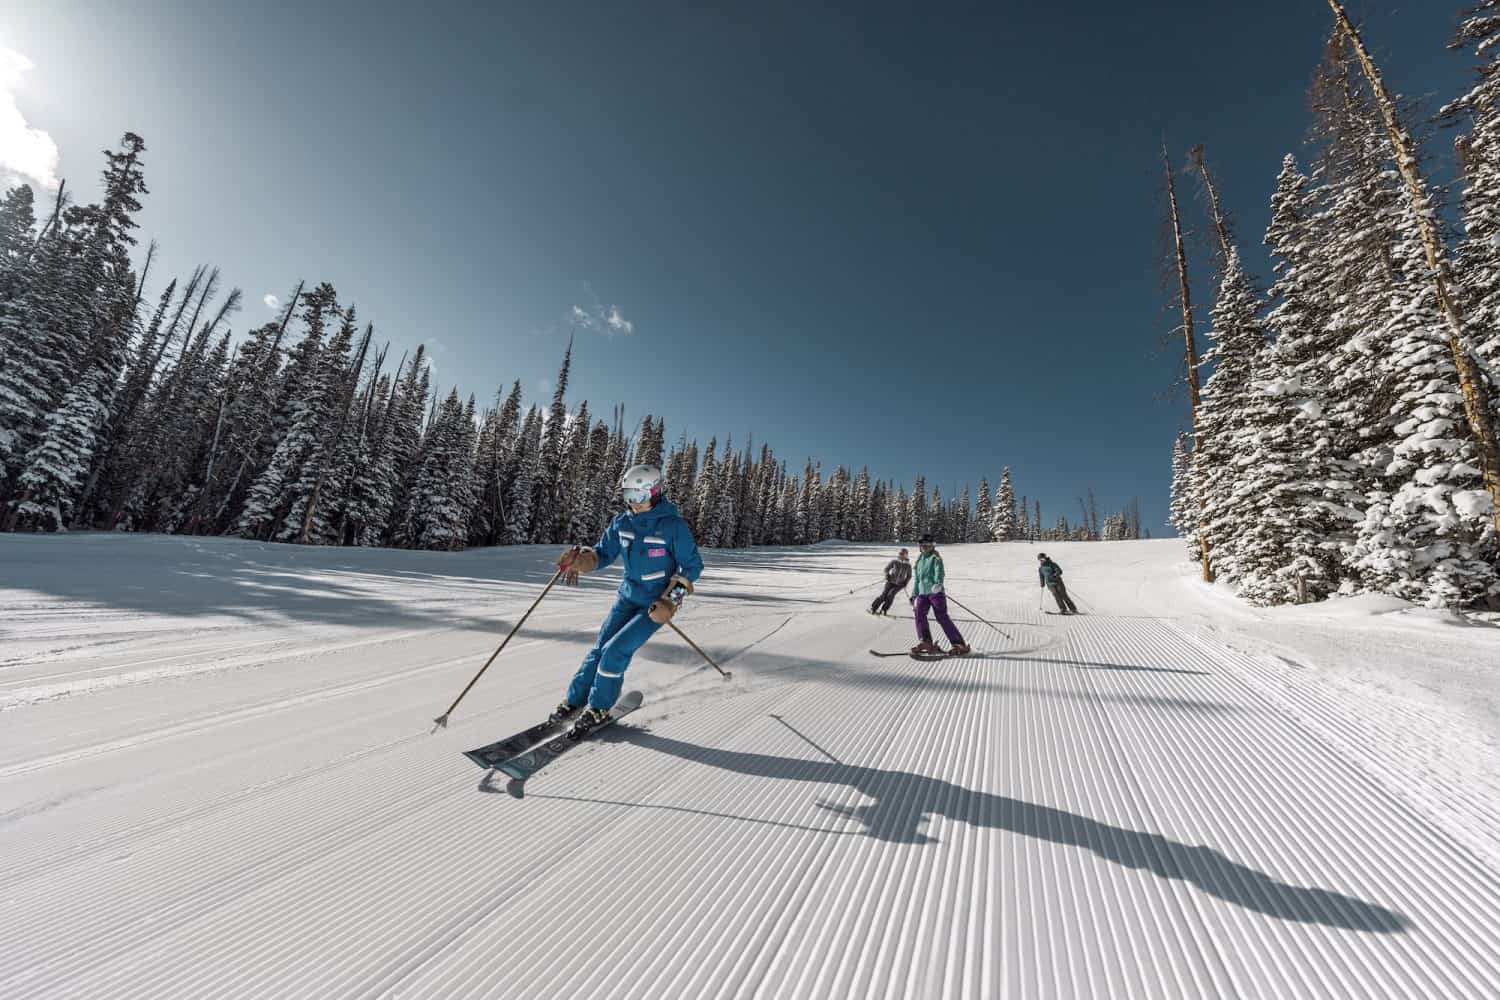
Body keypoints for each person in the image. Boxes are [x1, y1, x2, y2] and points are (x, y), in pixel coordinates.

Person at [551, 463, 704, 734]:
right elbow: (603, 553)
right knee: (598, 650)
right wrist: (583, 561)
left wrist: (672, 600)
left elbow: (692, 567)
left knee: (615, 651)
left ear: (654, 492)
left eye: (638, 496)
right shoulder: (621, 522)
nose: (633, 503)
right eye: (628, 496)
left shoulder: (673, 526)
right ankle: (575, 700)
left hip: (654, 605)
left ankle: (599, 707)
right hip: (627, 598)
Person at [909, 534, 970, 656]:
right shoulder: (919, 560)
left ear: (933, 545)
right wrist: (914, 594)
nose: (925, 547)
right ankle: (926, 641)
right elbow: (917, 580)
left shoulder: (935, 557)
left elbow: (939, 572)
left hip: (935, 592)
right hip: (922, 594)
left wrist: (938, 584)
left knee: (941, 617)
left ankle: (959, 644)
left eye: (928, 545)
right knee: (919, 614)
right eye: (923, 545)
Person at [869, 548, 913, 616]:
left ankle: (884, 610)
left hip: (900, 584)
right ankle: (873, 608)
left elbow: (909, 575)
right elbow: (886, 569)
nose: (900, 555)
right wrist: (887, 575)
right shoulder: (894, 562)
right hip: (890, 581)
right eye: (900, 553)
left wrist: (906, 582)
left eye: (902, 554)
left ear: (906, 555)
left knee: (891, 595)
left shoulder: (908, 565)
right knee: (884, 595)